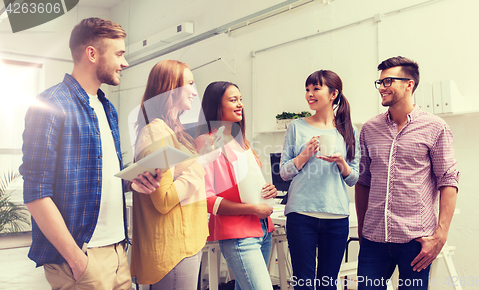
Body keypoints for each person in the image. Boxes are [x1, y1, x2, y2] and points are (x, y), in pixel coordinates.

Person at [19, 18, 162, 289]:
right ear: (92, 54)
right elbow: (36, 193)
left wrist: (133, 181)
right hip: (81, 256)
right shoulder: (49, 105)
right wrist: (75, 258)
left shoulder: (107, 108)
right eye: (119, 54)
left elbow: (100, 177)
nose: (125, 62)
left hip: (119, 250)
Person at [355, 56, 460, 289]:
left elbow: (448, 181)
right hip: (374, 238)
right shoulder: (369, 129)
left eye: (388, 81)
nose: (382, 87)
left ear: (409, 84)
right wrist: (362, 231)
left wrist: (440, 236)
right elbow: (363, 182)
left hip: (416, 240)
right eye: (380, 82)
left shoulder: (435, 127)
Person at [130, 59, 220, 289]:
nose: (194, 91)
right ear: (170, 88)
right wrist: (202, 163)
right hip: (174, 249)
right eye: (189, 83)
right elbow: (164, 199)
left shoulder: (171, 130)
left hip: (186, 243)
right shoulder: (157, 132)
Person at [280, 70, 360, 290]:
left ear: (333, 94)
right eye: (307, 89)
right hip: (301, 215)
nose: (309, 94)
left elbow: (353, 177)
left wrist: (341, 163)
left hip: (336, 216)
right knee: (303, 284)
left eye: (316, 89)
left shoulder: (349, 130)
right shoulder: (297, 127)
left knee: (328, 284)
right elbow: (284, 173)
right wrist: (304, 155)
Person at [195, 81, 278, 290]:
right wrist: (252, 208)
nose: (240, 104)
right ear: (216, 106)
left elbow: (247, 186)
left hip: (263, 230)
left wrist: (268, 191)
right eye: (233, 100)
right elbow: (206, 199)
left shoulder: (241, 141)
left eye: (240, 99)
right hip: (239, 234)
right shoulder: (207, 142)